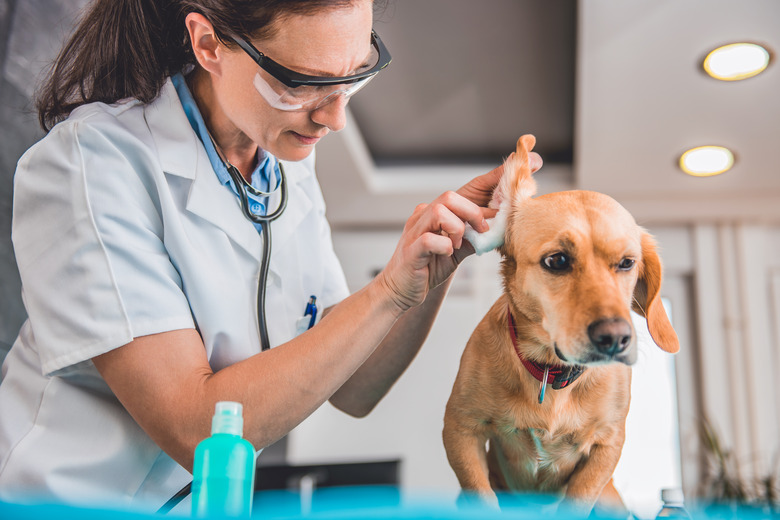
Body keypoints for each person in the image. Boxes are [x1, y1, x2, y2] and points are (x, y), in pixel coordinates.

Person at [0, 0, 542, 512]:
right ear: (209, 43)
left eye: (353, 75)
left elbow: (354, 388)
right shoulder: (91, 166)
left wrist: (430, 268)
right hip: (62, 503)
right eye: (304, 83)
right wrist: (386, 290)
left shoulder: (285, 164)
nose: (336, 119)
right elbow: (196, 429)